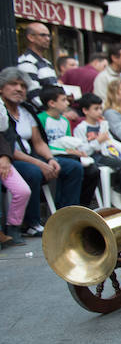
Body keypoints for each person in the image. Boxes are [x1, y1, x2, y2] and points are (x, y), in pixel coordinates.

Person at [0, 67, 82, 236]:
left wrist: (50, 159)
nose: (19, 89)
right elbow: (9, 148)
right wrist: (39, 163)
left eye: (22, 86)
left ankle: (66, 217)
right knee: (34, 172)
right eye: (13, 84)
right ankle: (31, 223)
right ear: (1, 88)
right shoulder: (2, 111)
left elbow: (38, 142)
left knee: (73, 166)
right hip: (11, 158)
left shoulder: (26, 111)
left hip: (32, 156)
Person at [74, 94, 121, 205]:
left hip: (111, 153)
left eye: (100, 108)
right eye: (96, 109)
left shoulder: (103, 125)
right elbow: (83, 151)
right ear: (85, 110)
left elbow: (111, 142)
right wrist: (98, 141)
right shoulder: (81, 128)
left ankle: (118, 187)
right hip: (97, 157)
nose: (99, 111)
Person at [36, 86, 100, 207]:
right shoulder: (41, 119)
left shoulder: (65, 121)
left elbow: (68, 142)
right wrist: (68, 151)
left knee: (93, 171)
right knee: (74, 165)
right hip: (49, 155)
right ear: (52, 103)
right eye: (64, 100)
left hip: (66, 154)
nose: (67, 103)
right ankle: (66, 206)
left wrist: (77, 151)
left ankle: (83, 206)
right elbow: (44, 144)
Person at [0, 97, 31, 246]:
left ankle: (13, 227)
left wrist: (5, 157)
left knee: (23, 190)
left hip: (2, 157)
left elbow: (3, 129)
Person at [17, 22, 59, 105]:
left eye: (48, 36)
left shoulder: (47, 63)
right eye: (43, 35)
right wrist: (49, 113)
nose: (48, 39)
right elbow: (33, 95)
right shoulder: (26, 62)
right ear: (31, 37)